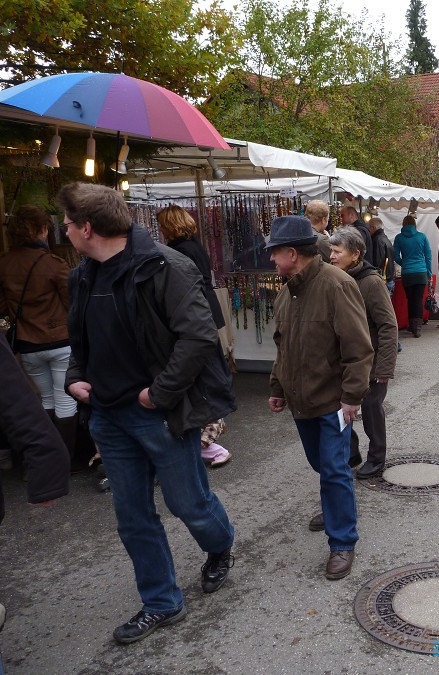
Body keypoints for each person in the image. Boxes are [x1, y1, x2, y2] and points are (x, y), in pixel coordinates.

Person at [60, 182, 236, 644]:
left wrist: (158, 395)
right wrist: (74, 375)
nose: (64, 231)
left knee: (187, 503)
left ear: (87, 228)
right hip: (107, 416)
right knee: (132, 515)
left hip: (157, 413)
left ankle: (220, 546)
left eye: (67, 224)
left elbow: (199, 337)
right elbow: (80, 340)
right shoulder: (81, 276)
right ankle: (162, 601)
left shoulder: (165, 266)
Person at [267, 216, 373, 581]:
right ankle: (334, 507)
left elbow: (359, 349)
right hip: (301, 400)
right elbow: (283, 346)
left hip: (332, 401)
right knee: (322, 465)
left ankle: (342, 541)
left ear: (292, 253)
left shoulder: (337, 284)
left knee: (333, 468)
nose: (271, 260)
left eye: (274, 253)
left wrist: (351, 397)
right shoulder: (286, 291)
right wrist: (277, 387)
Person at [0, 334, 70, 667]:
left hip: (29, 344)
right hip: (54, 341)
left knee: (48, 400)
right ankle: (73, 453)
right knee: (60, 401)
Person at [0, 206, 79, 461]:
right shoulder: (53, 264)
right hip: (60, 340)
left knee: (44, 400)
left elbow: (2, 306)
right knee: (65, 398)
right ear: (41, 230)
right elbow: (72, 304)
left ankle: (47, 458)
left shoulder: (4, 263)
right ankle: (66, 458)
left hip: (26, 342)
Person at [156, 205, 231, 468]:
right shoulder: (194, 245)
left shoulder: (179, 251)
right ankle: (209, 432)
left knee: (200, 369)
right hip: (206, 308)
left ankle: (206, 435)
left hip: (196, 312)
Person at [329, 228, 398, 479]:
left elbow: (388, 325)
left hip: (372, 362)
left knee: (371, 410)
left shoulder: (371, 282)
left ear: (355, 254)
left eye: (337, 251)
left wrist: (385, 368)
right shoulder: (337, 277)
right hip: (348, 361)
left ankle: (377, 458)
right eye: (331, 251)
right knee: (344, 409)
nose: (332, 256)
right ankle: (352, 452)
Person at [393, 215, 432, 338]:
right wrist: (429, 273)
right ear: (415, 224)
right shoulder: (422, 237)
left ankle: (412, 325)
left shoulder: (399, 238)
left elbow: (395, 255)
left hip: (407, 273)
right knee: (418, 299)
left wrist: (403, 263)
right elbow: (428, 256)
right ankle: (418, 328)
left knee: (410, 299)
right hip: (421, 272)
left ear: (403, 224)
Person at [368, 217, 395, 293]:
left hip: (382, 279)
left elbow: (378, 262)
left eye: (369, 227)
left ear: (372, 227)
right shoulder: (385, 239)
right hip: (388, 278)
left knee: (380, 304)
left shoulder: (377, 240)